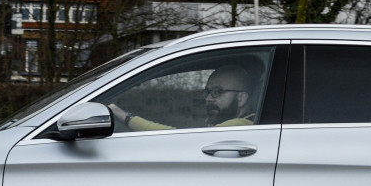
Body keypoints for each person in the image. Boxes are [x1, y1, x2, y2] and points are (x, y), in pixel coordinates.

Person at [109, 64, 259, 131]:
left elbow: (171, 137)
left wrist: (122, 115)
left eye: (217, 92)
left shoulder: (238, 127)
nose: (208, 98)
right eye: (207, 92)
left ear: (241, 98)